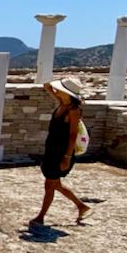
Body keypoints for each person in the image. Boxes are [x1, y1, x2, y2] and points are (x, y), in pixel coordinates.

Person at [29, 77, 92, 227]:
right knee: (55, 184)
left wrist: (67, 158)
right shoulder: (62, 104)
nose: (57, 91)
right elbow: (48, 86)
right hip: (51, 150)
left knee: (50, 185)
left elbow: (72, 135)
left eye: (61, 89)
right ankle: (81, 206)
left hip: (61, 153)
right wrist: (53, 85)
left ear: (67, 93)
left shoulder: (73, 111)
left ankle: (41, 217)